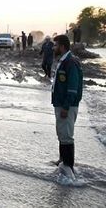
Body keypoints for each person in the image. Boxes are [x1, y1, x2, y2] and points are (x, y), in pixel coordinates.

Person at [51, 34, 83, 176]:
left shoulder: (71, 63)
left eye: (56, 45)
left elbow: (72, 87)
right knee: (62, 133)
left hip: (67, 106)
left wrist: (66, 106)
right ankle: (62, 160)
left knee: (67, 135)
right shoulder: (63, 61)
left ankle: (69, 168)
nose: (54, 47)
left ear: (62, 47)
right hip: (61, 104)